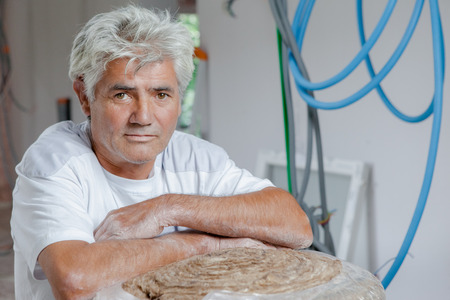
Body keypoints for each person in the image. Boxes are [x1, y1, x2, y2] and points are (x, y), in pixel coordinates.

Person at [10, 5, 313, 300]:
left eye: (161, 94)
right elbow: (74, 281)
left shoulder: (195, 157)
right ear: (85, 97)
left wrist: (167, 208)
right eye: (122, 94)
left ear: (179, 98)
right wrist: (207, 245)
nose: (143, 116)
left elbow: (296, 227)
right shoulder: (54, 163)